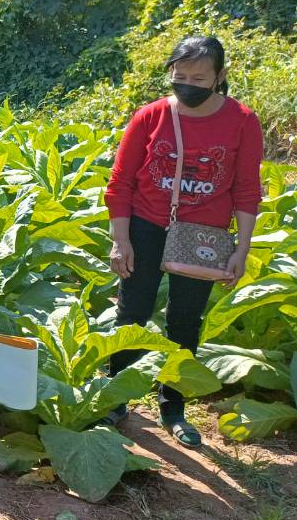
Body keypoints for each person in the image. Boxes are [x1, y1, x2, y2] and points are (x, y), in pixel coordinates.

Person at [104, 35, 263, 447]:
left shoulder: (243, 121)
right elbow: (120, 182)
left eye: (199, 77)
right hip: (145, 225)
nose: (187, 84)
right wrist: (120, 240)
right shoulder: (151, 115)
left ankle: (172, 406)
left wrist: (241, 248)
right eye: (180, 76)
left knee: (185, 321)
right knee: (131, 312)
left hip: (204, 235)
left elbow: (247, 189)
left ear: (220, 77)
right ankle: (115, 398)